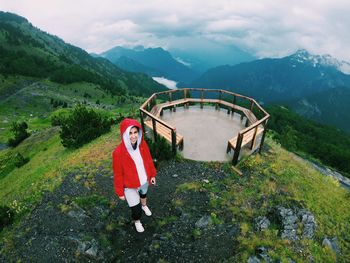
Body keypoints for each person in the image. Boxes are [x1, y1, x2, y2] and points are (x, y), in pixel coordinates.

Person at [112, 118, 157, 233]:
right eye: (130, 133)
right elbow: (118, 174)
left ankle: (144, 205)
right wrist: (120, 192)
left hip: (143, 180)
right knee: (136, 211)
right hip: (129, 186)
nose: (133, 136)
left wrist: (152, 175)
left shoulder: (142, 145)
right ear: (124, 134)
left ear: (139, 132)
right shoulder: (118, 153)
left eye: (135, 132)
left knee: (143, 195)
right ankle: (137, 221)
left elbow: (148, 160)